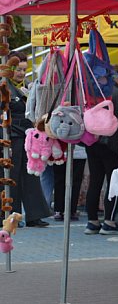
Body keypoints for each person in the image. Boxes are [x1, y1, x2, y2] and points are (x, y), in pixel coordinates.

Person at [85, 64, 118, 235]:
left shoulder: (94, 94)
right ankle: (109, 221)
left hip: (93, 142)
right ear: (117, 76)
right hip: (113, 144)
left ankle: (92, 221)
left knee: (95, 182)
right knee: (114, 182)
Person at [6, 51, 50, 227]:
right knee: (12, 177)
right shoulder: (4, 87)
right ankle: (12, 215)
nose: (21, 73)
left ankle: (34, 215)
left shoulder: (29, 86)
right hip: (11, 137)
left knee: (31, 175)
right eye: (18, 69)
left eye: (24, 70)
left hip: (29, 137)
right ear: (10, 68)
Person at [52, 145, 86, 221]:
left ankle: (70, 210)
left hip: (77, 150)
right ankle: (60, 209)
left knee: (74, 181)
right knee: (60, 180)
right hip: (60, 149)